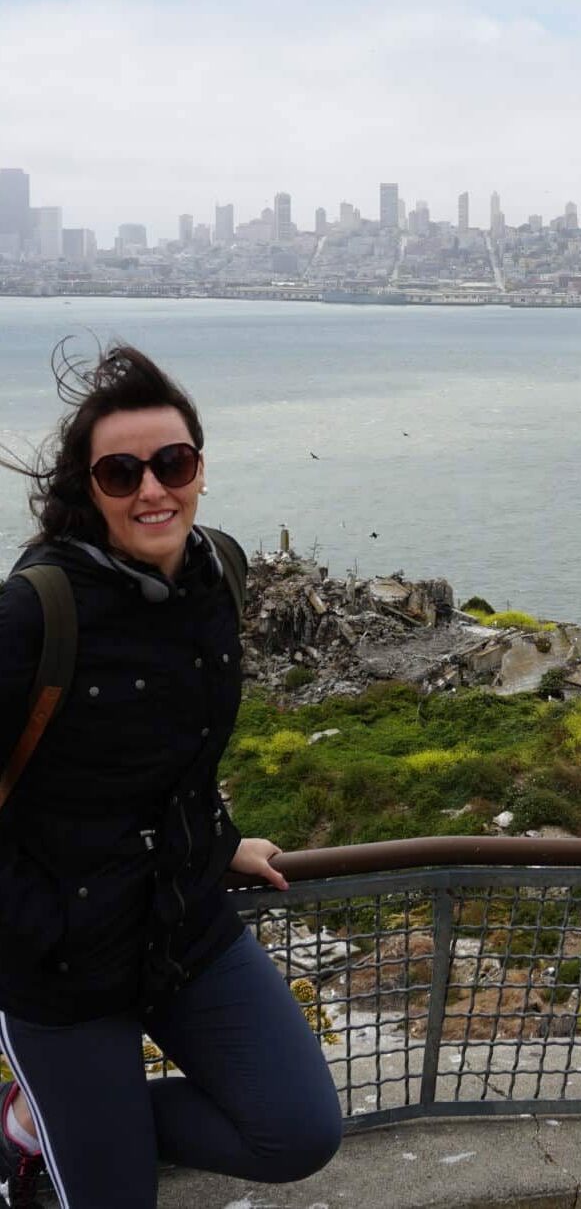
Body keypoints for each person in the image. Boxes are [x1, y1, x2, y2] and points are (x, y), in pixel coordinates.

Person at [0, 343, 342, 1207]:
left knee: (297, 1130)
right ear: (90, 489)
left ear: (198, 466)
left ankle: (44, 1121)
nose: (152, 488)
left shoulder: (217, 572)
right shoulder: (37, 611)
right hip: (61, 960)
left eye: (171, 462)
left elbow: (178, 751)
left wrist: (217, 841)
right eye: (121, 472)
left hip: (184, 923)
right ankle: (58, 1121)